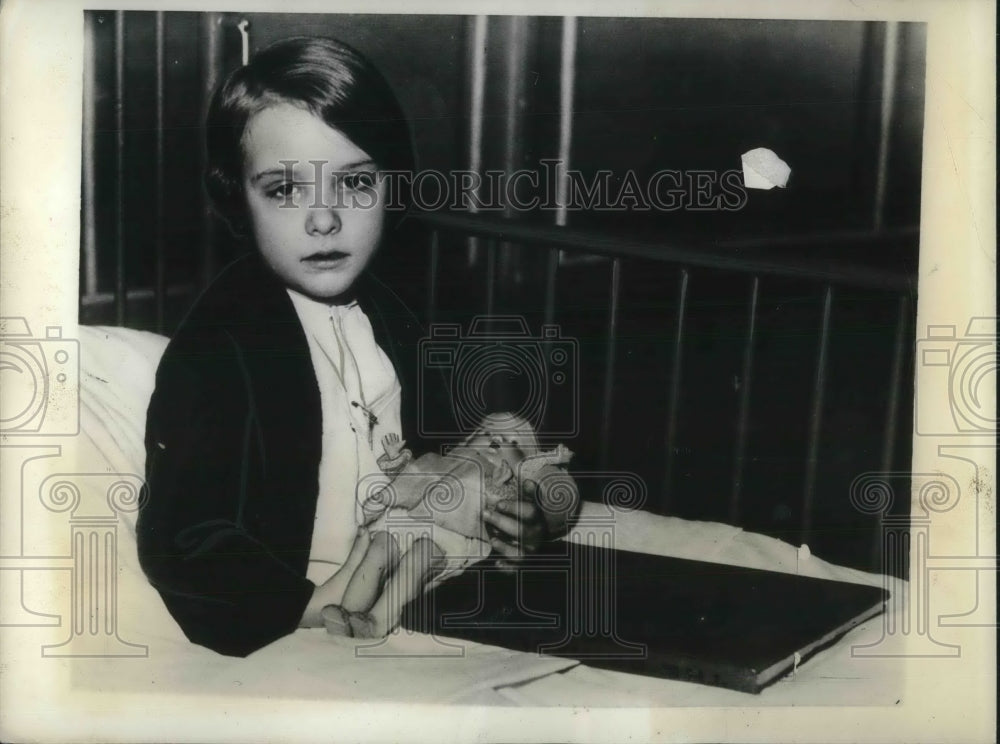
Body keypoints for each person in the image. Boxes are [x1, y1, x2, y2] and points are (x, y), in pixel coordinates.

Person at [137, 36, 571, 658]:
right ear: (237, 196)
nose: (324, 218)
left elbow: (445, 456)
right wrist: (306, 605)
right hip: (309, 606)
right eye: (285, 189)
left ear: (392, 186)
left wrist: (514, 521)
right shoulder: (222, 343)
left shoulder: (392, 313)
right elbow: (183, 537)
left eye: (355, 183)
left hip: (420, 576)